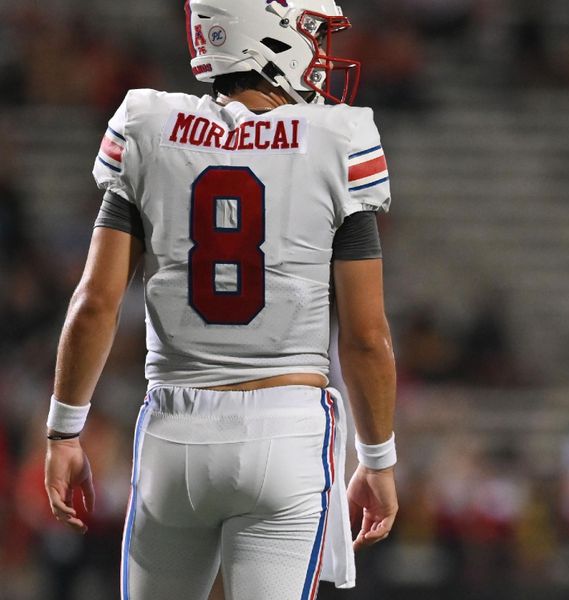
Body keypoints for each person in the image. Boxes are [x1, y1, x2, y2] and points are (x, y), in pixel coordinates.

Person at [42, 1, 399, 598]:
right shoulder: (339, 139)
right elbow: (366, 336)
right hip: (285, 430)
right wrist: (379, 458)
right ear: (269, 37)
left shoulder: (148, 126)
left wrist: (63, 432)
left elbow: (95, 302)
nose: (320, 50)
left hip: (173, 434)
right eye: (310, 32)